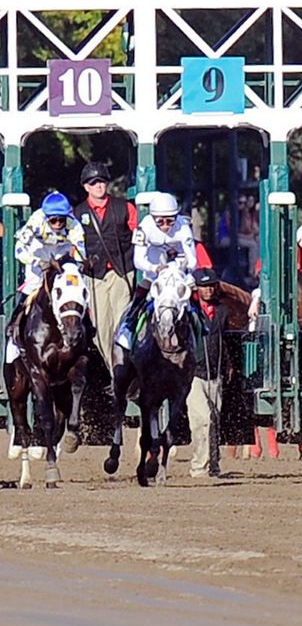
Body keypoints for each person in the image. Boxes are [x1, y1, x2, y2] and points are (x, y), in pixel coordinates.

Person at [7, 192, 88, 363]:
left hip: (61, 252)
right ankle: (14, 329)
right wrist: (39, 262)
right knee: (33, 286)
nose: (58, 224)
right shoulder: (36, 222)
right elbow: (19, 250)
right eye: (53, 220)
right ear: (46, 218)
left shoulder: (74, 224)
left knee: (73, 287)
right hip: (38, 252)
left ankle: (87, 326)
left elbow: (80, 252)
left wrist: (79, 265)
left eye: (61, 219)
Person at [73, 161, 138, 364]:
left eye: (101, 181)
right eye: (93, 183)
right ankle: (115, 371)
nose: (98, 186)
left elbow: (138, 235)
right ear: (86, 186)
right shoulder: (77, 213)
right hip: (95, 275)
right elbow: (73, 243)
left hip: (122, 270)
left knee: (121, 323)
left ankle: (123, 372)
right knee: (100, 329)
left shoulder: (125, 207)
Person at [116, 192, 198, 352]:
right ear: (152, 217)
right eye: (160, 221)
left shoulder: (183, 226)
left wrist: (181, 267)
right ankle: (128, 327)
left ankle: (201, 330)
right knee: (142, 293)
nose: (166, 225)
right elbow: (138, 260)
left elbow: (193, 259)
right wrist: (155, 269)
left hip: (178, 270)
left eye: (170, 220)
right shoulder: (144, 227)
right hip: (154, 269)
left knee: (192, 295)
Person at [188, 268, 230, 479]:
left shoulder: (222, 311)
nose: (208, 290)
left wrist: (228, 364)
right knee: (202, 419)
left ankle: (213, 465)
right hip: (194, 373)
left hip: (216, 371)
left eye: (212, 285)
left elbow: (225, 340)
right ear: (195, 288)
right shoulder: (189, 311)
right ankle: (199, 467)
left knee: (214, 419)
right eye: (204, 286)